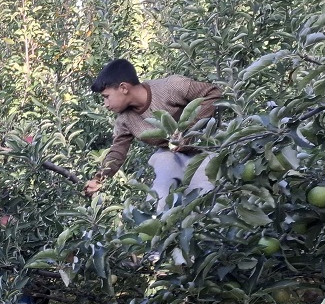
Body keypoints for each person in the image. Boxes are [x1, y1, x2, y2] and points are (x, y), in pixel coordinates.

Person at [83, 58, 222, 202]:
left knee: (205, 196)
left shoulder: (171, 87)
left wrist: (186, 131)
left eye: (106, 97)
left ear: (124, 88)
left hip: (206, 147)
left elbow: (213, 93)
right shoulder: (124, 120)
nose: (105, 104)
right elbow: (117, 151)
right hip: (171, 156)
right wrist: (99, 178)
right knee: (160, 195)